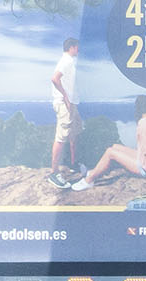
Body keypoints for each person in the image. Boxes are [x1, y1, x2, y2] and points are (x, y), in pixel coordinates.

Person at [71, 96, 146, 191]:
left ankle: (89, 180)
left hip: (145, 168)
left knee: (110, 152)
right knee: (115, 147)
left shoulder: (143, 123)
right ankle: (96, 170)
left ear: (137, 107)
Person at [49, 38, 82, 188]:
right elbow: (55, 79)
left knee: (73, 132)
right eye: (77, 47)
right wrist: (66, 97)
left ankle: (72, 163)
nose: (78, 50)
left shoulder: (69, 61)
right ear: (72, 47)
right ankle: (53, 173)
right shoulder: (66, 61)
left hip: (71, 105)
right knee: (61, 137)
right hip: (64, 105)